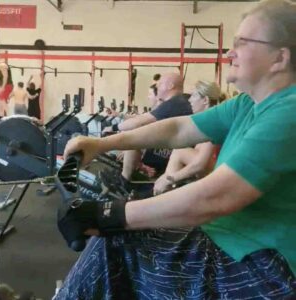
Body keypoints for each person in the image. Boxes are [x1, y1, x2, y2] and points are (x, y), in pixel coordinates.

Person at [56, 0, 296, 298]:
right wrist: (103, 143)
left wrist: (108, 213)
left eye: (243, 43)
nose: (230, 52)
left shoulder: (289, 111)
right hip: (226, 241)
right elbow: (179, 128)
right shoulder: (249, 103)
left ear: (279, 58)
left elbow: (217, 196)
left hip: (266, 271)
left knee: (114, 240)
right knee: (118, 242)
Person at [103, 72, 192, 189]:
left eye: (160, 84)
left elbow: (138, 122)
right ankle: (130, 173)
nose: (157, 87)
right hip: (175, 146)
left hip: (175, 151)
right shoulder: (179, 101)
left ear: (170, 86)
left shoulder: (175, 103)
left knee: (133, 132)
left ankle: (124, 180)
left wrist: (112, 128)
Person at [153, 80, 225, 195]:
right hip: (212, 170)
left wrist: (169, 178)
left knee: (180, 151)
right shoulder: (207, 120)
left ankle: (164, 196)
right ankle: (162, 194)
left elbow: (200, 164)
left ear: (205, 100)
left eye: (194, 96)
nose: (190, 100)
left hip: (217, 174)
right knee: (180, 152)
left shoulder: (213, 122)